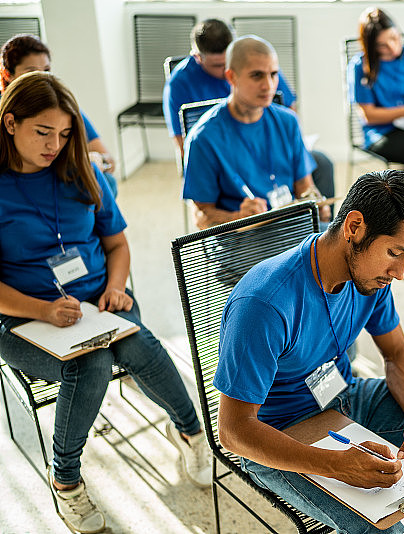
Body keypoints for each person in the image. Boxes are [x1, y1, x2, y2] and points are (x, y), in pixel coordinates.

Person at [214, 168, 404, 534]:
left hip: (345, 401)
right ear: (354, 227)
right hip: (282, 435)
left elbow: (396, 352)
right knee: (387, 528)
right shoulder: (265, 303)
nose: (399, 272)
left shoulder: (369, 278)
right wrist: (335, 465)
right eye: (394, 252)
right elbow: (235, 431)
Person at [0, 72, 211, 534]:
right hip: (21, 317)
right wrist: (43, 310)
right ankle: (67, 481)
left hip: (100, 299)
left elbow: (117, 244)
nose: (55, 144)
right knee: (91, 365)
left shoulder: (83, 171)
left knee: (138, 346)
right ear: (10, 122)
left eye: (65, 133)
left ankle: (192, 432)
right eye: (42, 132)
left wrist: (116, 286)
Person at [162, 19, 335, 201]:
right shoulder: (180, 86)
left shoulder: (258, 65)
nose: (268, 85)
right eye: (217, 66)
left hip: (267, 149)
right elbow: (182, 144)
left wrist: (292, 144)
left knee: (321, 164)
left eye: (272, 75)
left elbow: (287, 108)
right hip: (222, 156)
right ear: (198, 57)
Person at [182, 35, 324, 228]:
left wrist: (316, 203)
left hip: (290, 226)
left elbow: (305, 187)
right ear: (231, 76)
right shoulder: (203, 138)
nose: (268, 85)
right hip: (242, 238)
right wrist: (238, 216)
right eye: (257, 75)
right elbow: (201, 217)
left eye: (273, 74)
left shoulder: (288, 121)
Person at [1, 34, 119, 197]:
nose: (42, 77)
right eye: (31, 72)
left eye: (47, 71)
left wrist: (94, 161)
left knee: (105, 181)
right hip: (21, 187)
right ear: (8, 75)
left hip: (58, 183)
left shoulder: (61, 108)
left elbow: (109, 161)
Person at [347, 8, 404, 169]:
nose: (393, 48)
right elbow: (369, 115)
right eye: (383, 45)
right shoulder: (360, 66)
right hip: (381, 133)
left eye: (395, 38)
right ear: (371, 46)